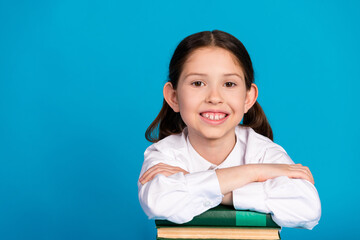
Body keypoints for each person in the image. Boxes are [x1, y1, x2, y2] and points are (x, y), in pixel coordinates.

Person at [137, 30, 321, 230]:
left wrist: (208, 187)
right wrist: (253, 172)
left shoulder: (263, 151)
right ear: (173, 97)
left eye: (229, 84)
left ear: (248, 98)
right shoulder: (164, 153)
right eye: (198, 83)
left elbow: (307, 207)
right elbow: (159, 201)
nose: (214, 97)